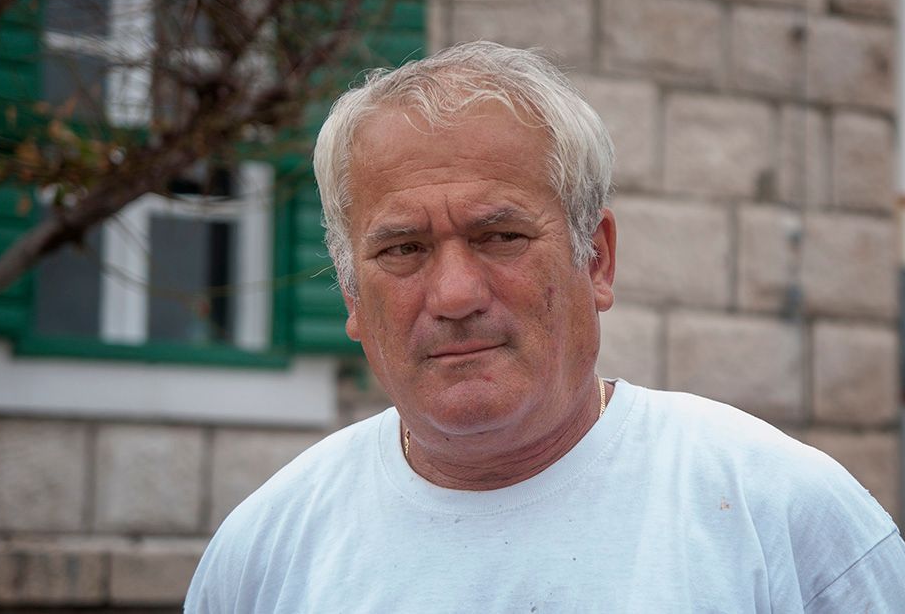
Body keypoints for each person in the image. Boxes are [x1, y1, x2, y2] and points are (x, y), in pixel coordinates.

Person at [185, 41, 905, 612]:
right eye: (403, 249)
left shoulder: (783, 514)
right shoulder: (261, 557)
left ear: (596, 259)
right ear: (351, 291)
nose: (455, 294)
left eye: (501, 236)